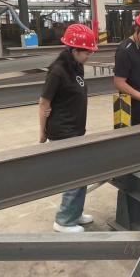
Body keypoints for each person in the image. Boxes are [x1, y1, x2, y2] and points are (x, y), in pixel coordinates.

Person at [39, 24, 97, 233]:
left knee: (82, 173)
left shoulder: (76, 66)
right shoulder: (57, 71)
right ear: (74, 50)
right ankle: (64, 221)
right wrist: (42, 133)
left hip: (75, 130)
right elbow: (44, 103)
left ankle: (75, 213)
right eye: (86, 52)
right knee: (75, 175)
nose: (89, 55)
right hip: (63, 132)